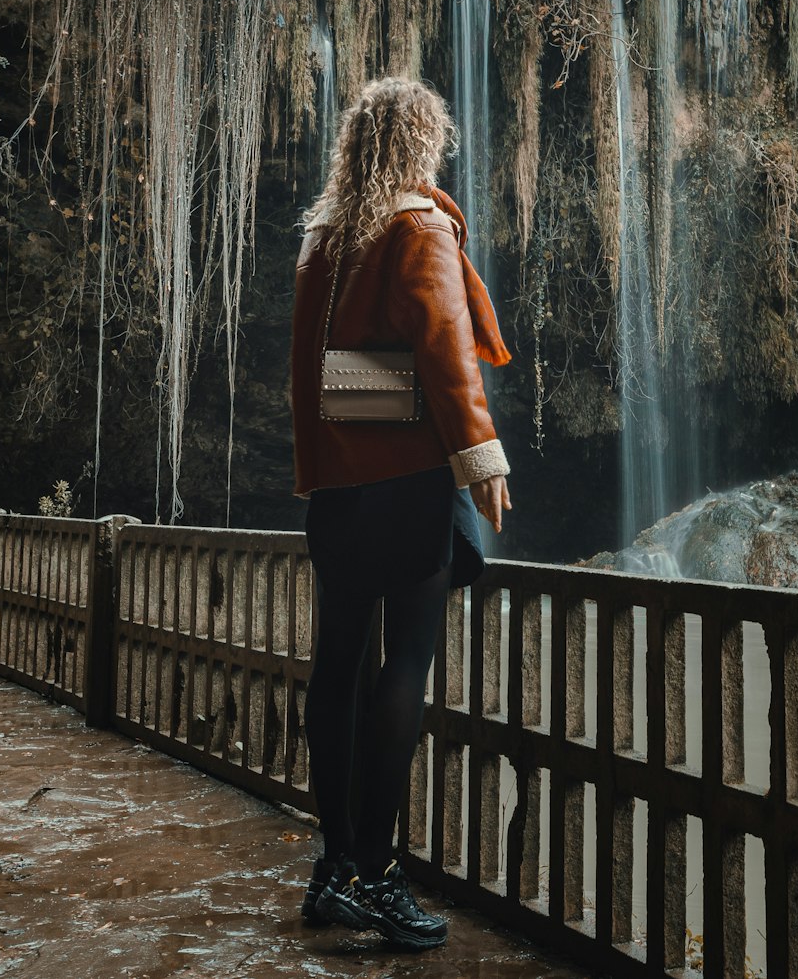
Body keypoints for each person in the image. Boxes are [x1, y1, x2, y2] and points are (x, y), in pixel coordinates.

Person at [290, 76, 512, 950]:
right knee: (404, 666)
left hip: (340, 489)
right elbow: (447, 347)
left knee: (338, 666)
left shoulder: (326, 240)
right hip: (408, 481)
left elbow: (316, 379)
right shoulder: (417, 228)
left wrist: (320, 470)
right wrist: (479, 455)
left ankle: (335, 863)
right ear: (423, 143)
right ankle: (378, 876)